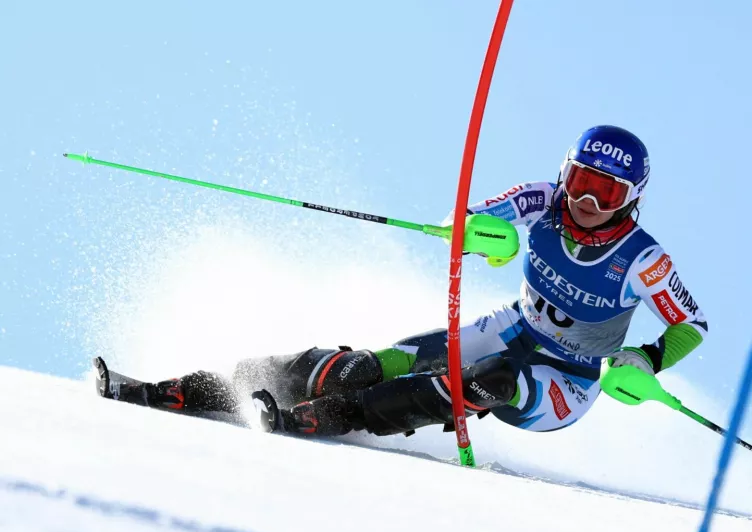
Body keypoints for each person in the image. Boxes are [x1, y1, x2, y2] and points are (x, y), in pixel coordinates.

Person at [95, 125, 707, 437]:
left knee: (489, 380)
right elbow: (464, 217)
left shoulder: (642, 258)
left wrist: (649, 357)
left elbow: (693, 326)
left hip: (565, 381)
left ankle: (330, 418)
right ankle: (181, 389)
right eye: (580, 179)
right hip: (511, 328)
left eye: (607, 192)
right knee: (369, 361)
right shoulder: (544, 200)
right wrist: (474, 234)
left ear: (633, 201)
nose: (586, 200)